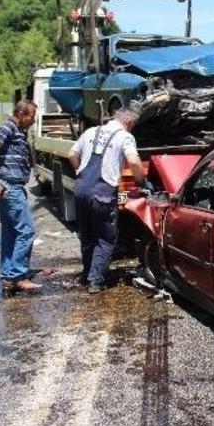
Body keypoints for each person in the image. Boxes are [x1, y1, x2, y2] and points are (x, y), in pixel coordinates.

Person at [67, 106, 146, 294]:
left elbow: (72, 155)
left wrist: (79, 172)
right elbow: (134, 162)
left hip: (80, 190)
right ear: (129, 122)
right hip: (102, 193)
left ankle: (87, 274)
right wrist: (141, 181)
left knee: (86, 235)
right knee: (105, 238)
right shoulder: (125, 137)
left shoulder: (90, 131)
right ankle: (96, 281)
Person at [0, 100, 42, 295]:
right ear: (21, 114)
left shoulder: (18, 130)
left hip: (10, 187)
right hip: (9, 188)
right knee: (26, 232)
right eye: (31, 116)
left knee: (10, 233)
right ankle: (18, 276)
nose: (33, 120)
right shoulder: (8, 127)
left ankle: (8, 275)